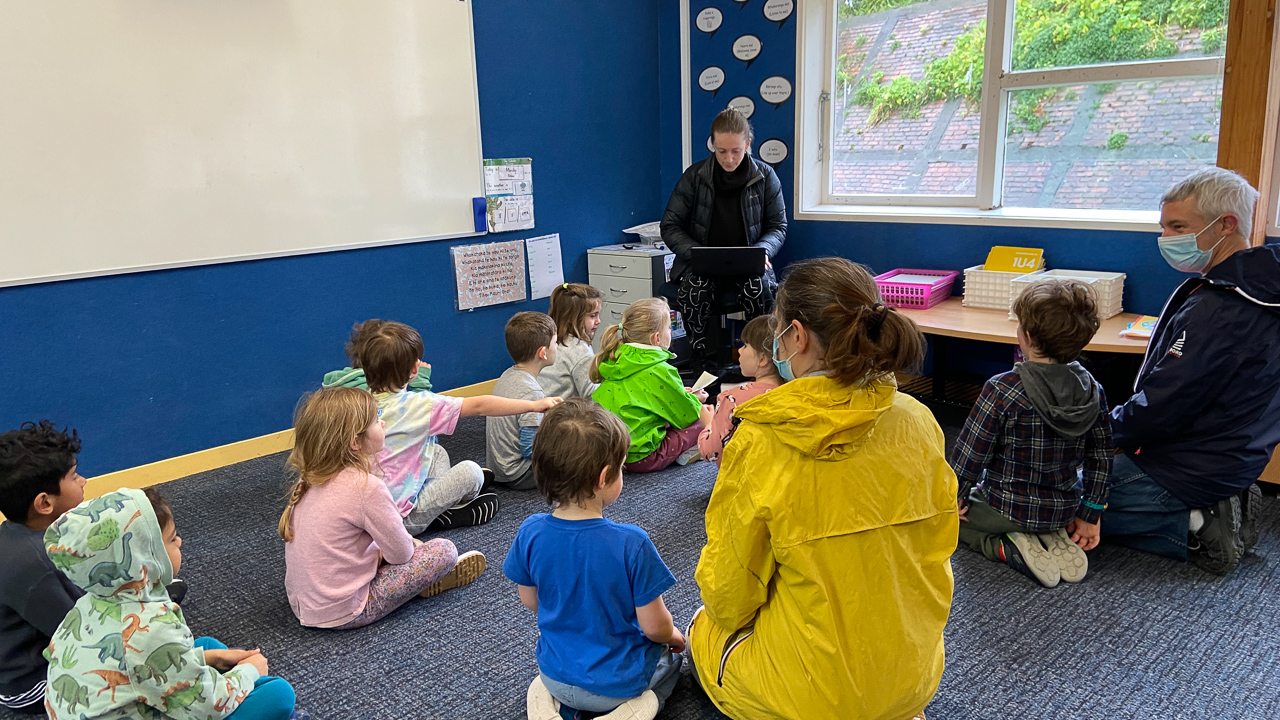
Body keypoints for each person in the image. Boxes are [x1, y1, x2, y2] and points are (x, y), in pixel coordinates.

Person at [689, 257, 957, 720]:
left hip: (811, 697)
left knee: (703, 628)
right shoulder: (919, 419)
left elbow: (730, 596)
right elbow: (936, 548)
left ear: (797, 335)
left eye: (777, 329)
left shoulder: (762, 437)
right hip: (914, 680)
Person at [1104, 167, 1280, 575]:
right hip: (1233, 455)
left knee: (1040, 500)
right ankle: (1218, 506)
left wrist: (1100, 435)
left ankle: (1195, 525)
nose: (1166, 238)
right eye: (1164, 227)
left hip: (1183, 466)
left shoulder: (1220, 308)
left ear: (1226, 225)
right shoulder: (1258, 286)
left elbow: (1164, 405)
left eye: (1179, 227)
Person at [45, 487, 299, 720]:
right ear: (145, 558)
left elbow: (134, 663)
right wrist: (250, 672)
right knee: (278, 694)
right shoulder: (152, 628)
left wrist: (207, 658)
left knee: (207, 646)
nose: (180, 542)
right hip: (147, 699)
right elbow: (208, 706)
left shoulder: (91, 601)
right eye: (172, 539)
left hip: (112, 698)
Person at [504, 399, 684, 720]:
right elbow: (655, 627)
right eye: (622, 468)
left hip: (554, 674)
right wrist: (673, 637)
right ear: (604, 477)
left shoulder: (530, 531)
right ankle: (633, 710)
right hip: (618, 685)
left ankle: (550, 705)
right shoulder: (632, 543)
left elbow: (530, 600)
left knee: (548, 681)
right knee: (672, 662)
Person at [951, 278, 1113, 588]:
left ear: (1025, 336)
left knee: (946, 522)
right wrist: (1090, 514)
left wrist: (954, 497)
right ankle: (1049, 535)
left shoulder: (1002, 389)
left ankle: (1007, 546)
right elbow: (1101, 458)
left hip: (1006, 507)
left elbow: (970, 455)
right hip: (1064, 510)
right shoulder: (1094, 390)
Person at [281, 387, 487, 629]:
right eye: (376, 419)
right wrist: (407, 547)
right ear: (355, 442)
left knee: (391, 541)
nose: (383, 423)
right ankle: (425, 582)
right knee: (444, 551)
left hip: (303, 603)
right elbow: (400, 555)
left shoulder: (309, 478)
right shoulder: (366, 487)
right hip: (347, 609)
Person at [336, 319, 560, 533]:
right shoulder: (421, 405)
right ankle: (445, 511)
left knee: (436, 451)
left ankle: (444, 504)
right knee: (472, 472)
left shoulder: (359, 402)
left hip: (372, 507)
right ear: (414, 369)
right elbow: (479, 406)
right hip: (403, 518)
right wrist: (533, 405)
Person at [660, 108, 787, 366]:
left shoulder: (765, 176)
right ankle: (700, 358)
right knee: (694, 290)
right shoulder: (694, 177)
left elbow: (778, 226)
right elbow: (670, 225)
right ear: (713, 145)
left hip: (749, 264)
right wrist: (695, 254)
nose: (729, 159)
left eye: (736, 151)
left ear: (747, 144)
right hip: (700, 264)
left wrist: (763, 250)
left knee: (758, 289)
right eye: (722, 151)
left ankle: (759, 357)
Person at [0, 421, 85, 715]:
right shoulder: (39, 564)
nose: (84, 481)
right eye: (74, 477)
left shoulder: (17, 532)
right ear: (44, 503)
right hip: (28, 685)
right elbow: (82, 631)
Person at [590, 298, 707, 473]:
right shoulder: (660, 369)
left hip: (611, 453)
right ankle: (685, 453)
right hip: (642, 457)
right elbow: (687, 415)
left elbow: (641, 394)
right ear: (656, 338)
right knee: (705, 418)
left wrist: (680, 394)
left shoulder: (615, 357)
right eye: (669, 328)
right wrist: (696, 400)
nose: (670, 332)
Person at [695, 315, 782, 466]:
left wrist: (708, 423)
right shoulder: (795, 393)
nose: (740, 350)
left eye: (745, 345)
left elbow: (710, 452)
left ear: (762, 359)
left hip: (741, 477)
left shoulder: (731, 399)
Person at [487, 312, 558, 490]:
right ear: (543, 353)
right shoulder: (532, 392)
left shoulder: (507, 375)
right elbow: (529, 450)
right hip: (519, 474)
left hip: (498, 469)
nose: (557, 347)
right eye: (555, 343)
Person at [538, 283, 604, 399]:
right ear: (572, 318)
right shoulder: (578, 350)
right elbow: (593, 396)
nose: (598, 321)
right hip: (559, 409)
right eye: (592, 316)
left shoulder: (548, 339)